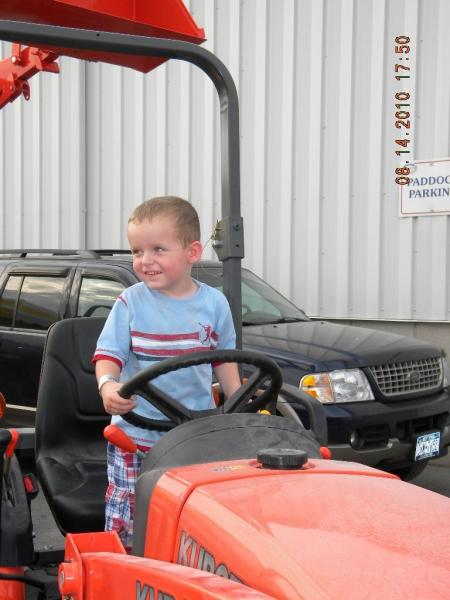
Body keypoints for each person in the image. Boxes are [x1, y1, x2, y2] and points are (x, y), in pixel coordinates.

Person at [93, 195, 241, 551]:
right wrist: (107, 384)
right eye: (137, 251)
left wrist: (240, 406)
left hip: (194, 436)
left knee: (194, 518)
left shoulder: (214, 304)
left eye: (158, 249)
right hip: (137, 436)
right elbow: (108, 355)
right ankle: (126, 565)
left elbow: (224, 361)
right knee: (129, 516)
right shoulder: (130, 303)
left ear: (191, 252)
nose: (145, 261)